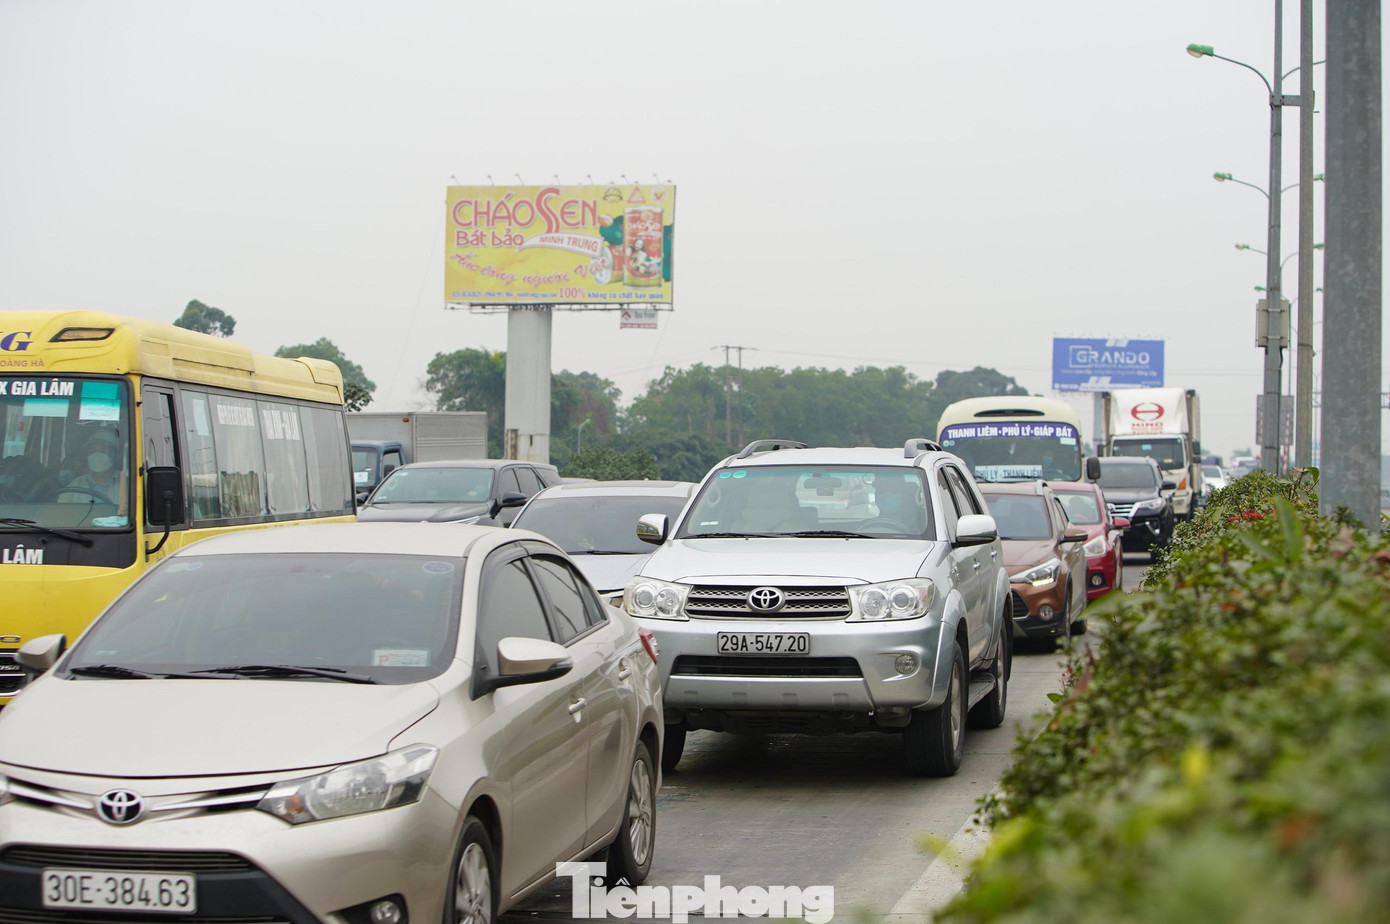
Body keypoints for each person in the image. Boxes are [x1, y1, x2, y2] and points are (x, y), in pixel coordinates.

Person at [59, 428, 128, 514]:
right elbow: (61, 515)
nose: (97, 454)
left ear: (114, 454)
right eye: (92, 450)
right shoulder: (75, 487)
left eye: (103, 450)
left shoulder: (126, 485)